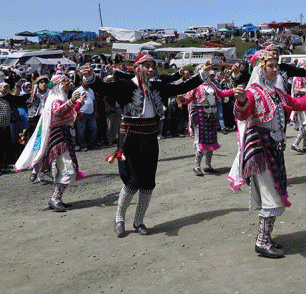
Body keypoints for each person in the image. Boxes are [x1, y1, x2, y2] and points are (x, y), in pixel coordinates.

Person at [81, 55, 206, 236]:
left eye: (153, 66)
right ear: (137, 67)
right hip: (130, 138)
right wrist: (90, 77)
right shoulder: (125, 85)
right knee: (132, 181)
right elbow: (104, 88)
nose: (150, 69)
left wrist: (202, 74)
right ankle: (119, 218)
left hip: (149, 137)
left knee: (148, 183)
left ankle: (139, 221)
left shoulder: (156, 86)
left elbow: (181, 87)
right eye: (147, 66)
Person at [230, 50, 306, 258]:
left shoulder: (275, 92)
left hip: (273, 148)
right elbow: (242, 114)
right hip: (260, 149)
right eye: (271, 66)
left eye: (276, 66)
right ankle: (261, 242)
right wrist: (242, 101)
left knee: (272, 194)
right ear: (260, 69)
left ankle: (265, 238)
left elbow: (300, 104)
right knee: (271, 196)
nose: (275, 70)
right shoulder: (253, 92)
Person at [14, 74, 87, 211]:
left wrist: (79, 102)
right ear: (59, 85)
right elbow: (57, 111)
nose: (67, 85)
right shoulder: (55, 100)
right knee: (68, 169)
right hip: (59, 139)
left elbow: (69, 113)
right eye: (65, 83)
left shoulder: (59, 98)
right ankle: (55, 199)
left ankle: (57, 198)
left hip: (63, 136)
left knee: (63, 169)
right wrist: (72, 101)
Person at [178, 70, 234, 175]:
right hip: (200, 114)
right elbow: (188, 98)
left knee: (211, 140)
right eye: (204, 73)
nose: (207, 75)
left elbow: (221, 93)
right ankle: (197, 166)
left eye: (207, 73)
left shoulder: (212, 84)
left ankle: (208, 165)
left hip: (212, 114)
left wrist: (234, 90)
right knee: (201, 140)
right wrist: (182, 99)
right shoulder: (195, 85)